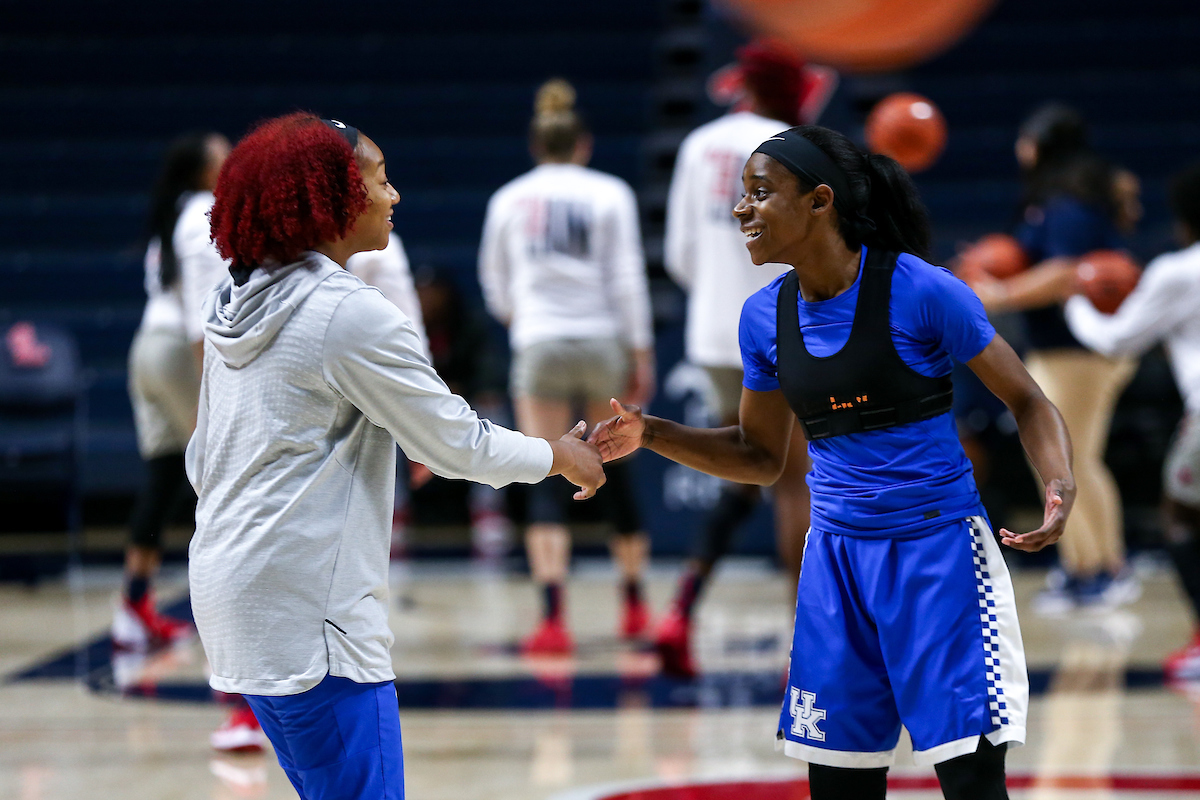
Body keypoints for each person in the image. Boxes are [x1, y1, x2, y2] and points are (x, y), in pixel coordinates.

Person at [590, 125, 1073, 799]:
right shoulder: (764, 318)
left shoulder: (923, 290)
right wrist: (653, 432)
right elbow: (758, 457)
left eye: (760, 193)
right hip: (836, 562)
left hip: (940, 556)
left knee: (970, 783)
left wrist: (1057, 481)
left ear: (820, 202)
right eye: (741, 195)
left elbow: (1027, 400)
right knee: (841, 787)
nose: (740, 209)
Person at [187, 112, 604, 799]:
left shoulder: (230, 299)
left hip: (233, 595)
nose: (393, 196)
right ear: (332, 200)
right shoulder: (345, 312)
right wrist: (557, 455)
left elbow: (203, 456)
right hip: (308, 610)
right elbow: (455, 443)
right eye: (380, 180)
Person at [478, 79, 656, 654]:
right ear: (583, 144)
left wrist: (524, 318)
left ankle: (553, 619)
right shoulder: (610, 193)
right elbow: (628, 277)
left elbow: (493, 282)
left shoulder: (508, 198)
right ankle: (633, 604)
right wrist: (640, 350)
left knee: (545, 466)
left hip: (541, 339)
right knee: (619, 463)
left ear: (536, 146)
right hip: (602, 337)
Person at [660, 39, 814, 677]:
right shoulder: (798, 145)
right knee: (792, 483)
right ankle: (808, 643)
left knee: (751, 463)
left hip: (713, 332)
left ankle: (681, 608)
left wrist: (718, 296)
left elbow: (677, 253)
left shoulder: (699, 143)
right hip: (780, 324)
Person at [968, 104, 1140, 613]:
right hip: (1060, 350)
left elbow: (1065, 271)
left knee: (1076, 459)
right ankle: (1081, 567)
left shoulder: (1068, 203)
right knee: (1054, 460)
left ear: (1039, 145)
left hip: (1082, 353)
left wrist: (1000, 293)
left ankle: (1110, 569)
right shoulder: (1060, 198)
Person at [1064, 162, 1200, 682]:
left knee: (1182, 518)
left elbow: (1116, 339)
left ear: (1183, 220)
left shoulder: (1178, 270)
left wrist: (1079, 297)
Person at [114, 132, 230, 653]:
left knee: (163, 478)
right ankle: (227, 608)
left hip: (146, 349)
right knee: (222, 475)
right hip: (179, 350)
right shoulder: (203, 210)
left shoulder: (172, 214)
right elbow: (201, 310)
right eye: (223, 156)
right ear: (205, 172)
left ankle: (132, 608)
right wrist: (213, 372)